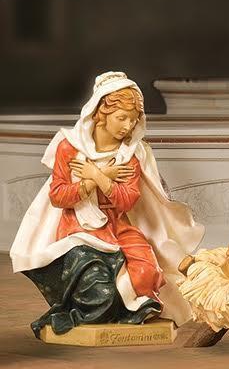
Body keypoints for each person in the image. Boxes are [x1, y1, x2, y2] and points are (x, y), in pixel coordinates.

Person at [10, 71, 204, 337]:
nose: (128, 126)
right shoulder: (70, 147)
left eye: (133, 120)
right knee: (99, 288)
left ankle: (130, 312)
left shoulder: (130, 155)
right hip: (80, 229)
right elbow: (59, 197)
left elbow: (126, 201)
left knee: (146, 271)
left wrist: (98, 176)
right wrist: (93, 181)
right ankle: (95, 310)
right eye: (121, 118)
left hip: (118, 225)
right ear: (101, 112)